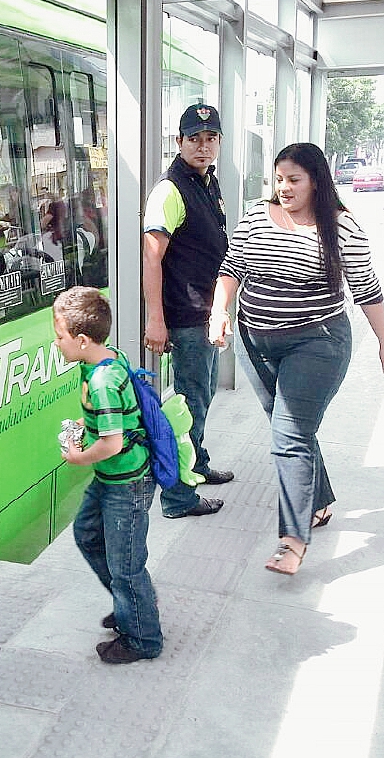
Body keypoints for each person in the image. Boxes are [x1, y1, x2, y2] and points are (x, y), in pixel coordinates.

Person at [209, 143, 384, 576]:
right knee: (291, 428)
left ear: (316, 181)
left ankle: (292, 541)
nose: (284, 188)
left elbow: (367, 290)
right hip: (255, 340)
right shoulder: (257, 215)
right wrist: (220, 311)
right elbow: (231, 267)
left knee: (288, 437)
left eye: (294, 180)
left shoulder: (342, 228)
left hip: (317, 343)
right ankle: (319, 502)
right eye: (279, 179)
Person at [53, 286, 161, 664]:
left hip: (126, 483)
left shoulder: (101, 381)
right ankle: (130, 602)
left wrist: (77, 457)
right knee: (87, 534)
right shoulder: (104, 358)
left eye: (60, 337)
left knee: (126, 564)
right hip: (112, 479)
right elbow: (109, 421)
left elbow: (112, 444)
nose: (57, 344)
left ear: (82, 340)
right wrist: (87, 425)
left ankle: (143, 638)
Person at [142, 102, 233, 519]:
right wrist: (156, 320)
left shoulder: (206, 182)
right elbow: (151, 257)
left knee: (203, 392)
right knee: (188, 404)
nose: (203, 146)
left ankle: (199, 462)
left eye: (210, 138)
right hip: (185, 313)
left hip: (205, 311)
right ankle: (179, 497)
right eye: (194, 139)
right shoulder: (170, 189)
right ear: (178, 142)